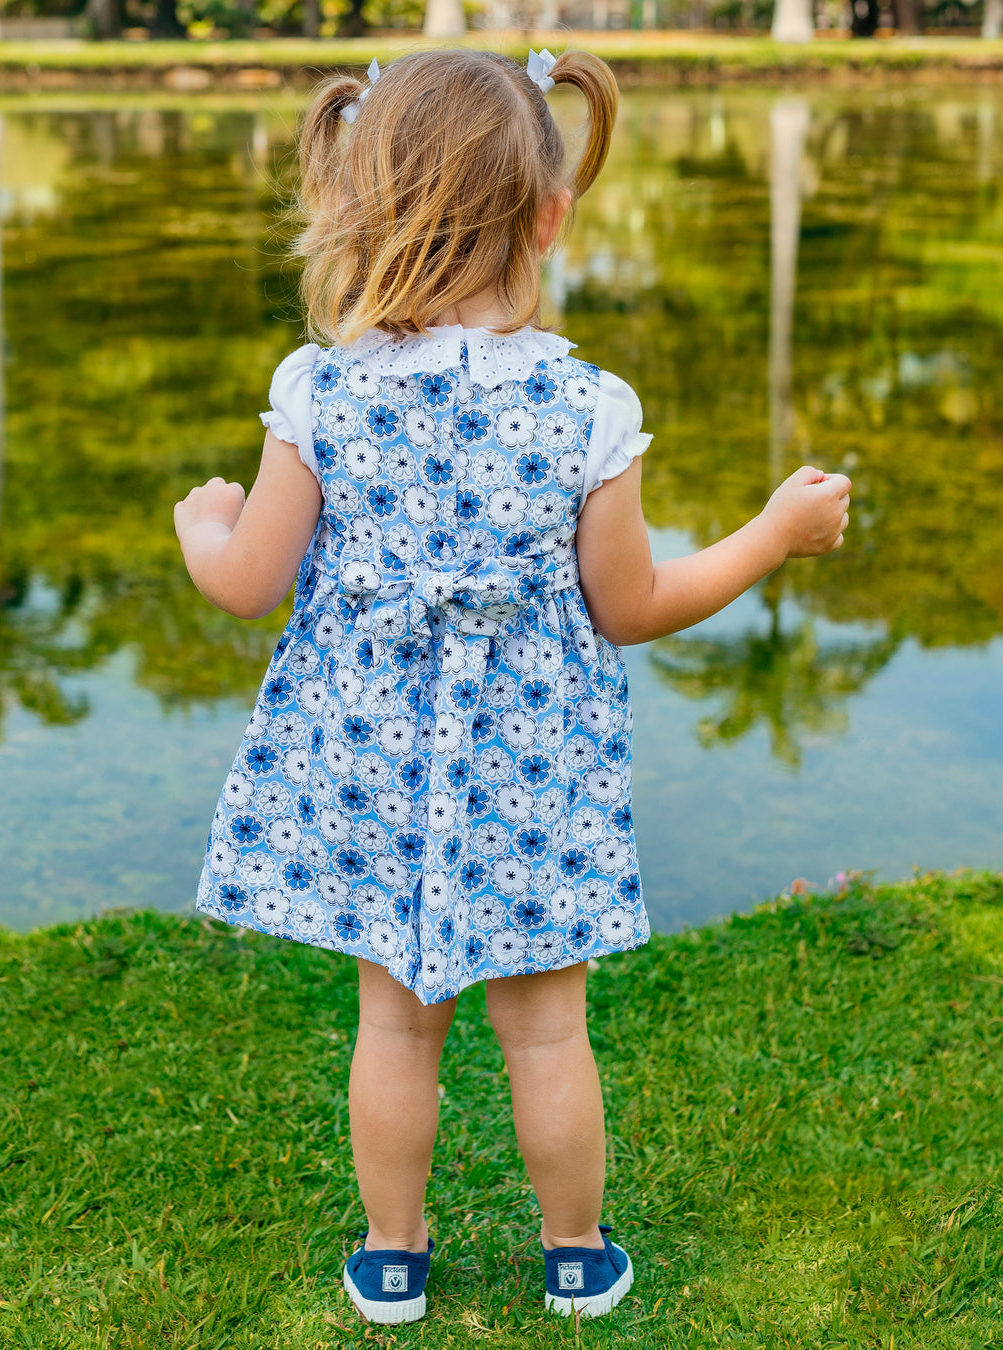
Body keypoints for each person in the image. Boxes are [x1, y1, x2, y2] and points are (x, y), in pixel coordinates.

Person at [174, 47, 852, 1326]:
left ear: (356, 199)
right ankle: (579, 1258)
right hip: (532, 768)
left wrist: (199, 524)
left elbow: (248, 581)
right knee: (546, 1035)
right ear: (548, 212)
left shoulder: (317, 393)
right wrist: (770, 534)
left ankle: (392, 1260)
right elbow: (631, 606)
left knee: (398, 1027)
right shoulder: (588, 406)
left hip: (374, 758)